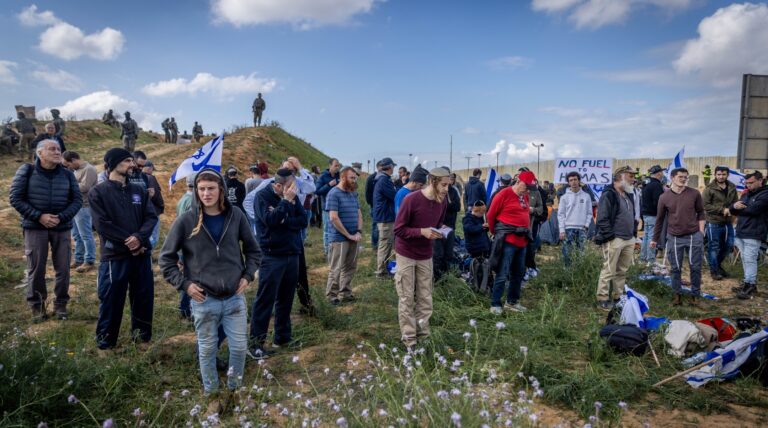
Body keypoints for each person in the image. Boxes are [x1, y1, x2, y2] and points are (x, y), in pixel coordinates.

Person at [160, 168, 262, 397]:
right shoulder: (186, 220)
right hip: (204, 299)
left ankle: (234, 390)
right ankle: (212, 393)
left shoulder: (235, 215)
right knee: (206, 350)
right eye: (202, 189)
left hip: (235, 296)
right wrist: (184, 285)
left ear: (221, 190)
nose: (206, 193)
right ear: (196, 191)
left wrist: (248, 275)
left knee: (239, 347)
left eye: (211, 188)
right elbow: (165, 258)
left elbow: (254, 250)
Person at [89, 148, 158, 349]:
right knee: (111, 300)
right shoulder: (98, 192)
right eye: (128, 161)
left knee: (143, 298)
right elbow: (101, 224)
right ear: (114, 163)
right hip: (115, 256)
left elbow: (150, 217)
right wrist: (129, 241)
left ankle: (142, 339)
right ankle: (105, 343)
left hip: (141, 255)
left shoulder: (139, 191)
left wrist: (139, 238)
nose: (132, 165)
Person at [9, 140, 82, 320]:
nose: (58, 152)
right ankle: (37, 307)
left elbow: (77, 200)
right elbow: (15, 198)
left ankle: (60, 305)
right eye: (52, 149)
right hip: (34, 227)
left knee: (63, 268)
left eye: (59, 149)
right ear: (40, 153)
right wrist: (39, 216)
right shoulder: (27, 171)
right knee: (36, 268)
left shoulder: (67, 174)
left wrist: (61, 217)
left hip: (62, 227)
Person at [249, 168, 307, 359]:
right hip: (272, 256)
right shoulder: (262, 197)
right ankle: (256, 344)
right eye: (290, 186)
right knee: (265, 300)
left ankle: (282, 337)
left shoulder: (292, 196)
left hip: (292, 252)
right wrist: (284, 204)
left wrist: (284, 217)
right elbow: (270, 220)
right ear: (278, 185)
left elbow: (303, 220)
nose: (294, 189)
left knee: (286, 298)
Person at [393, 167, 449, 348]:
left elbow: (438, 224)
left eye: (449, 184)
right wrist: (421, 232)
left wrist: (440, 231)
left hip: (426, 254)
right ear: (433, 181)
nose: (447, 188)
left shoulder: (442, 201)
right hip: (406, 253)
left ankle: (424, 335)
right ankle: (409, 339)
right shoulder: (411, 199)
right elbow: (398, 229)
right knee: (407, 297)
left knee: (425, 297)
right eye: (444, 184)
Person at [651, 168, 705, 306]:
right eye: (681, 177)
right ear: (672, 178)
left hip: (693, 235)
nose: (683, 179)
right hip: (674, 237)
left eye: (685, 177)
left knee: (695, 267)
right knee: (675, 268)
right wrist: (654, 239)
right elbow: (659, 219)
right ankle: (677, 295)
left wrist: (701, 231)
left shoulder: (694, 193)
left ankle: (695, 296)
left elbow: (701, 213)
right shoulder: (664, 197)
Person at [486, 170, 536, 314]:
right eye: (526, 187)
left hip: (522, 241)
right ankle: (495, 303)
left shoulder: (524, 197)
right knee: (502, 272)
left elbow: (525, 214)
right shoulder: (504, 194)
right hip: (508, 240)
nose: (527, 190)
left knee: (518, 273)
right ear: (518, 181)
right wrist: (496, 232)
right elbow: (490, 215)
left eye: (529, 188)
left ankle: (512, 301)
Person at [594, 166, 637, 310]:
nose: (633, 179)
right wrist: (610, 236)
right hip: (615, 239)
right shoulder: (609, 194)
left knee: (622, 270)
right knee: (608, 270)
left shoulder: (628, 194)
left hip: (628, 238)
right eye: (631, 176)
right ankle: (602, 298)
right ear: (621, 177)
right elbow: (602, 218)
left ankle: (618, 296)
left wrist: (634, 234)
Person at [325, 166, 363, 305]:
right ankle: (331, 296)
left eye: (355, 178)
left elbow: (359, 214)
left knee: (350, 267)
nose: (354, 180)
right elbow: (333, 218)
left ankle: (345, 292)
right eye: (352, 178)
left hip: (354, 236)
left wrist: (358, 231)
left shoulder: (353, 193)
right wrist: (348, 235)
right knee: (336, 268)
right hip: (339, 238)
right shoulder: (333, 193)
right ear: (343, 177)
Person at [729, 171, 768, 299]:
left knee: (750, 259)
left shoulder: (765, 194)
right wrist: (735, 206)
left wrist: (740, 208)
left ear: (760, 180)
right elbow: (733, 208)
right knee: (745, 259)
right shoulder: (746, 194)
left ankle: (750, 285)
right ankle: (748, 283)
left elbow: (754, 210)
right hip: (741, 231)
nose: (748, 185)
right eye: (746, 183)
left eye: (751, 183)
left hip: (754, 232)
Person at [62, 151, 98, 273]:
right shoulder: (76, 171)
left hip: (84, 206)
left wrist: (68, 183)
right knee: (77, 236)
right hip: (74, 207)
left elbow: (84, 187)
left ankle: (89, 261)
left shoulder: (89, 169)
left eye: (68, 165)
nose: (68, 167)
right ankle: (79, 259)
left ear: (73, 160)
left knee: (86, 235)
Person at [702, 166, 738, 280]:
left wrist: (734, 209)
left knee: (729, 245)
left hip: (728, 222)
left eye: (723, 174)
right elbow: (705, 205)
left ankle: (717, 266)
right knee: (714, 247)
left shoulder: (732, 187)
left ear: (727, 175)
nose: (721, 177)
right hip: (713, 222)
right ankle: (714, 271)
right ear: (715, 175)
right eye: (719, 174)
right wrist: (722, 210)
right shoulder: (709, 188)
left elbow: (734, 202)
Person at [557, 171, 592, 266]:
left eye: (575, 179)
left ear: (579, 181)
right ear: (568, 183)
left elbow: (589, 213)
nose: (573, 182)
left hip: (582, 229)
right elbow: (561, 215)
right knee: (567, 255)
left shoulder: (586, 196)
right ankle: (568, 274)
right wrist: (561, 230)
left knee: (581, 254)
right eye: (571, 180)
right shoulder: (564, 197)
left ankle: (579, 274)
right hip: (568, 229)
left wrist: (586, 225)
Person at [433, 167, 461, 279]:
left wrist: (447, 205)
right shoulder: (434, 192)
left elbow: (458, 207)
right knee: (437, 254)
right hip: (437, 228)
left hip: (450, 227)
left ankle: (446, 276)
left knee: (448, 254)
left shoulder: (453, 191)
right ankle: (436, 277)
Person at [373, 157, 398, 278]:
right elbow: (394, 195)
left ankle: (384, 269)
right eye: (393, 166)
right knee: (385, 245)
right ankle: (381, 272)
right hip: (385, 217)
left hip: (385, 216)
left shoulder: (383, 179)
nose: (394, 168)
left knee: (387, 244)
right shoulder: (384, 181)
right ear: (389, 167)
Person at [640, 165, 666, 264]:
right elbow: (658, 202)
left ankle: (643, 258)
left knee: (646, 237)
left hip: (646, 214)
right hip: (653, 215)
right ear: (658, 173)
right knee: (652, 237)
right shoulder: (656, 185)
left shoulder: (647, 184)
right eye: (662, 172)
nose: (663, 174)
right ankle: (650, 260)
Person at [315, 158, 342, 254]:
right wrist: (328, 185)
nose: (337, 167)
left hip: (339, 207)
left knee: (338, 229)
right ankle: (327, 251)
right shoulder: (322, 177)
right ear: (330, 166)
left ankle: (336, 250)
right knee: (327, 230)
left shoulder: (340, 176)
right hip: (327, 208)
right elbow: (317, 191)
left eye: (338, 165)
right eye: (335, 165)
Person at [143, 160, 165, 247]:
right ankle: (147, 254)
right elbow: (156, 195)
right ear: (150, 168)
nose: (152, 171)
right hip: (153, 211)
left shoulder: (137, 177)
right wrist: (161, 206)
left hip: (143, 212)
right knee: (153, 237)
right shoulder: (150, 178)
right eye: (152, 169)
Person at [365, 164, 382, 248]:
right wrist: (371, 204)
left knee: (380, 226)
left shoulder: (383, 178)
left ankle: (378, 243)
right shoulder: (371, 178)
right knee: (375, 226)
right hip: (374, 206)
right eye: (382, 166)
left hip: (381, 206)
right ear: (378, 167)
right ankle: (374, 245)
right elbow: (367, 193)